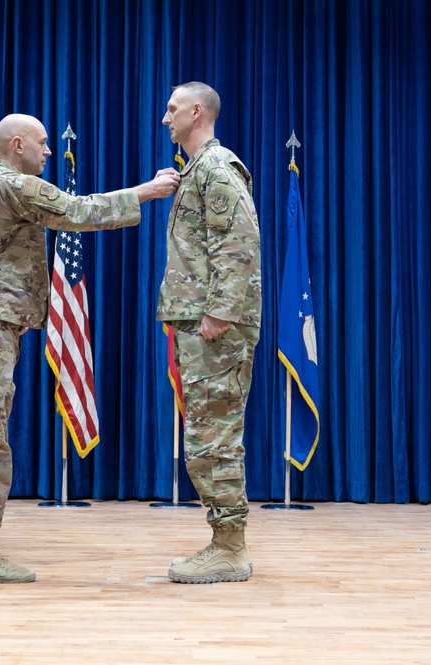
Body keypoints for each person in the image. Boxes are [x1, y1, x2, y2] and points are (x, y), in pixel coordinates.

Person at [0, 113, 180, 584]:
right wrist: (146, 191)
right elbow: (79, 211)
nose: (50, 152)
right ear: (19, 144)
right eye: (44, 144)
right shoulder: (12, 185)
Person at [158, 82, 262, 584]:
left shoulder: (217, 169)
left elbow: (238, 243)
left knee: (213, 438)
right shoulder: (196, 171)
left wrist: (219, 313)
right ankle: (224, 540)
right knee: (206, 434)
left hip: (215, 327)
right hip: (198, 323)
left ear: (196, 112)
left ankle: (229, 548)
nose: (165, 118)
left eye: (173, 109)